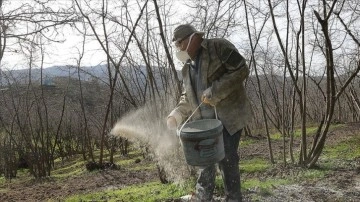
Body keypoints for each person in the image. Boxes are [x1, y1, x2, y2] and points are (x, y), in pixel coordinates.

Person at [166, 24, 253, 202]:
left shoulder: (218, 47)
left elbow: (241, 69)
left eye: (179, 44)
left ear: (192, 39)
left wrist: (215, 92)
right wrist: (177, 114)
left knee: (227, 158)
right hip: (204, 124)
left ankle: (234, 198)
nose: (178, 49)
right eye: (176, 46)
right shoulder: (187, 68)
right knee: (204, 161)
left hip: (228, 119)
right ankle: (202, 198)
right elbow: (188, 96)